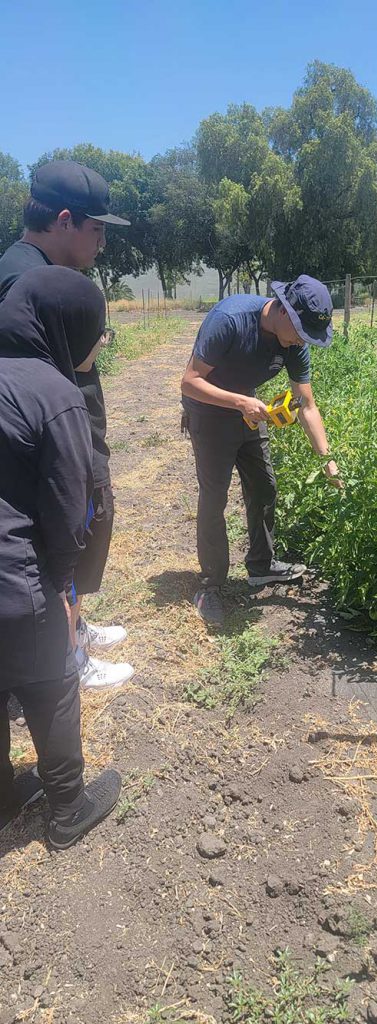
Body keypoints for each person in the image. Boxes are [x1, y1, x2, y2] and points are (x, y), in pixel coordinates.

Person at [0, 266, 122, 848]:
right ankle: (68, 808)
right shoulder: (53, 392)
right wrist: (66, 593)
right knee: (52, 685)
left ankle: (3, 795)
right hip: (17, 581)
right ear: (63, 328)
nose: (100, 342)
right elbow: (69, 510)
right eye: (96, 330)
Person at [0, 159, 133, 690]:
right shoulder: (23, 278)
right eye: (96, 228)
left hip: (58, 438)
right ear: (63, 220)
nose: (102, 241)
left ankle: (74, 628)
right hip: (46, 449)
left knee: (77, 537)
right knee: (61, 539)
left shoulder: (30, 268)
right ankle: (67, 652)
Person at [181, 274, 341, 626]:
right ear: (284, 311)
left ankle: (261, 566)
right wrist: (240, 401)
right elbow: (189, 381)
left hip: (249, 411)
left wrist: (328, 461)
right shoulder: (230, 320)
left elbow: (306, 404)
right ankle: (210, 586)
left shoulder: (294, 341)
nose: (302, 342)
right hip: (209, 410)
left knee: (264, 486)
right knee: (215, 497)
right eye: (300, 332)